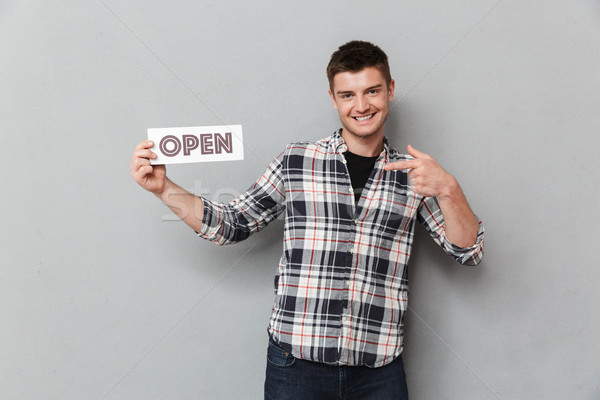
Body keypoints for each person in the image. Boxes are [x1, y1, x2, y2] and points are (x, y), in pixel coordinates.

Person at [130, 40, 484, 400]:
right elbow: (232, 224)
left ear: (390, 90)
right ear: (333, 98)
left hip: (378, 371)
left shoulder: (416, 176)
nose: (361, 106)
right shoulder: (297, 161)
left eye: (372, 91)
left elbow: (467, 250)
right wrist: (164, 189)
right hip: (296, 366)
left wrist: (449, 189)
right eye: (348, 95)